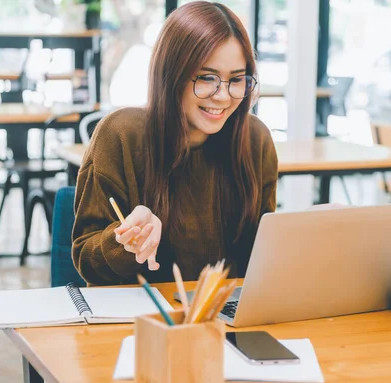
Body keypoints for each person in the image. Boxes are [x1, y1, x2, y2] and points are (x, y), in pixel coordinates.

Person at [71, 1, 278, 286]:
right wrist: (127, 239)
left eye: (237, 79)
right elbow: (86, 260)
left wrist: (303, 236)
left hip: (224, 318)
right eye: (207, 77)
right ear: (171, 74)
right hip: (140, 320)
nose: (223, 96)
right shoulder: (120, 134)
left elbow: (260, 257)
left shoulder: (255, 140)